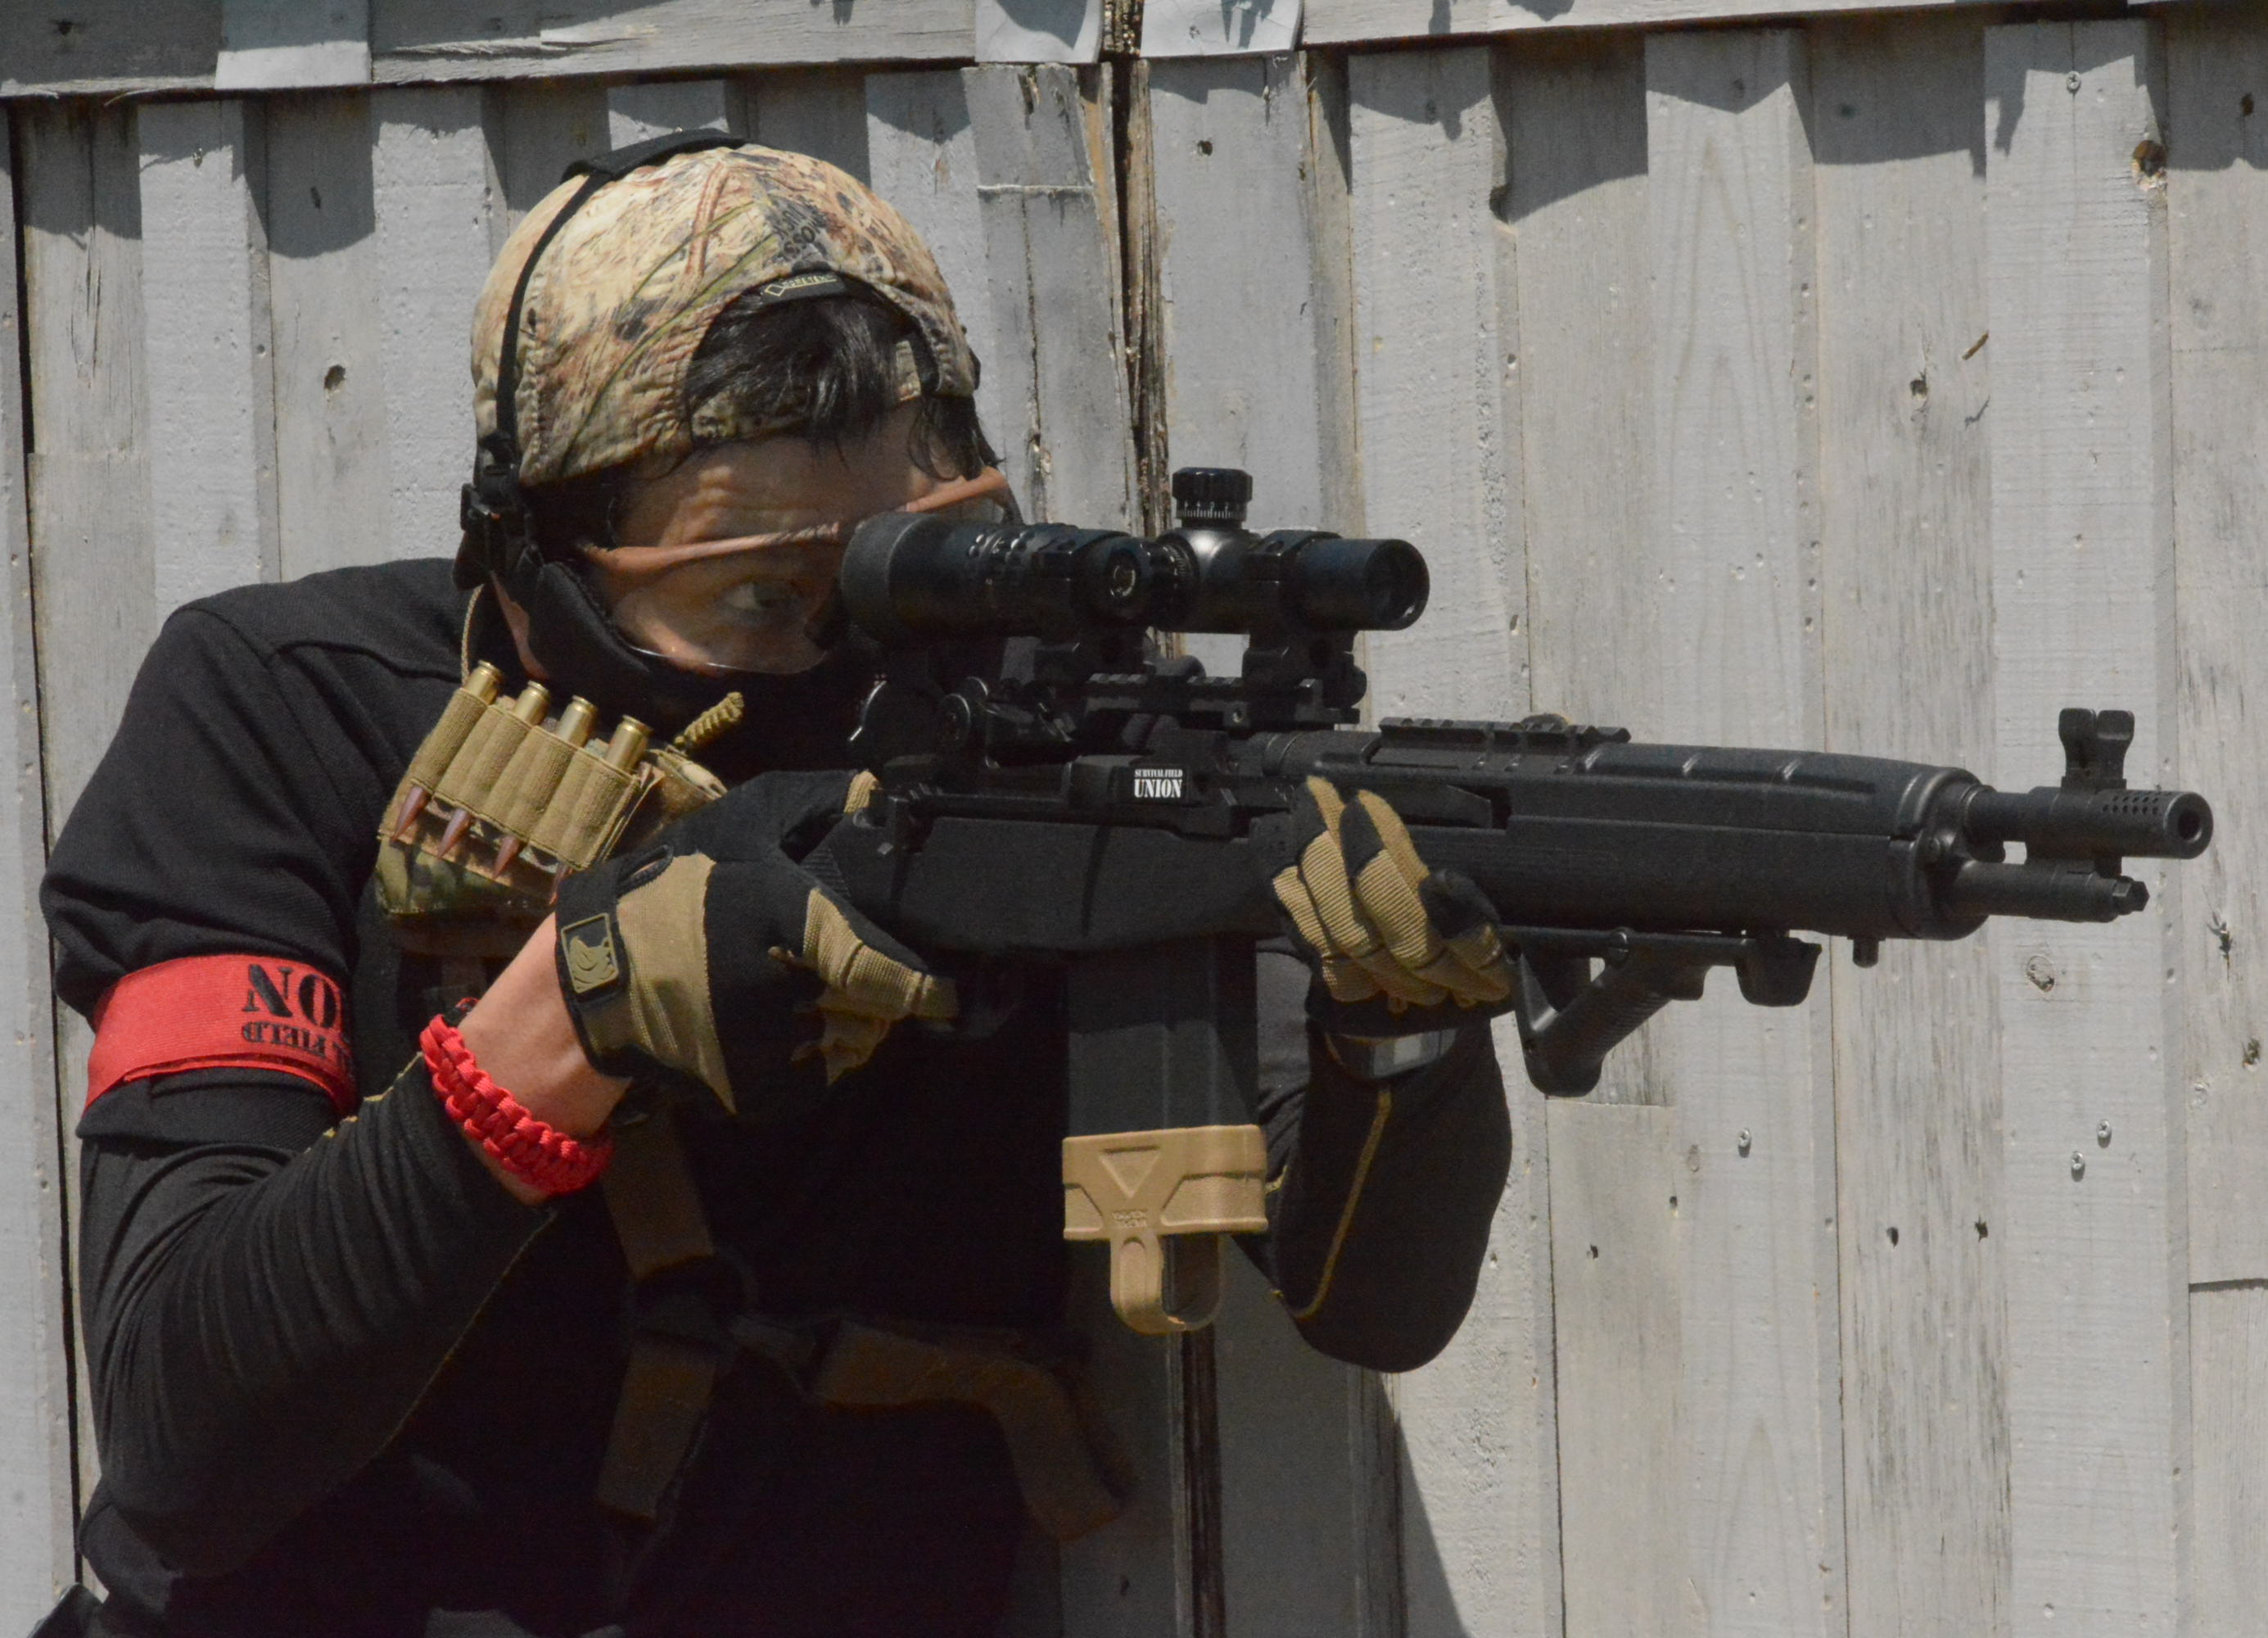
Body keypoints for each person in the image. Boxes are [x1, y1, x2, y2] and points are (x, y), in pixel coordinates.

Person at [35, 134, 1513, 1638]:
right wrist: (575, 1021)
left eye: (907, 574)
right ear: (535, 567)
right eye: (754, 597)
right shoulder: (282, 712)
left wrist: (1401, 1040)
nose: (841, 664)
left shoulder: (1047, 735)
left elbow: (1375, 1297)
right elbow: (180, 1438)